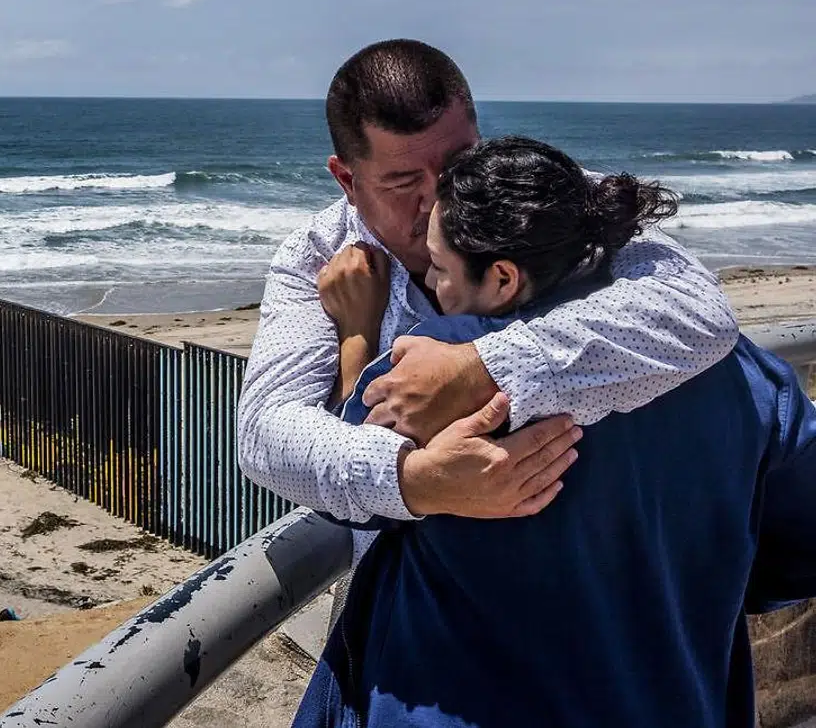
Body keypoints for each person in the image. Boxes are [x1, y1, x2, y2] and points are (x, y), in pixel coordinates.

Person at [291, 136, 816, 728]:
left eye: (437, 267)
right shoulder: (744, 373)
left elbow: (346, 480)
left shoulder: (432, 382)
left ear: (503, 277)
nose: (428, 285)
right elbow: (800, 546)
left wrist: (358, 335)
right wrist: (684, 591)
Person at [237, 39, 738, 531]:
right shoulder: (315, 256)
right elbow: (265, 432)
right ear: (346, 179)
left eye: (458, 161)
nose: (436, 201)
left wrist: (479, 371)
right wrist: (416, 481)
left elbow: (696, 308)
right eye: (403, 183)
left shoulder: (545, 197)